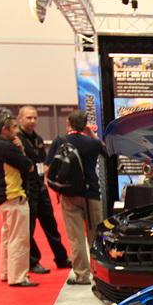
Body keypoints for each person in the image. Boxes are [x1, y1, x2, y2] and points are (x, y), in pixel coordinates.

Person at [45, 109, 106, 285]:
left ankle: (81, 275)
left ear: (68, 123)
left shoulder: (60, 141)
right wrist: (91, 133)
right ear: (85, 124)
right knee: (95, 236)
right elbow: (106, 152)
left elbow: (48, 168)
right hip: (92, 194)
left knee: (76, 237)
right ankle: (99, 275)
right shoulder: (92, 143)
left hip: (69, 194)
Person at [19, 105, 70, 273]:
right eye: (28, 118)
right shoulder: (17, 140)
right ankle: (33, 262)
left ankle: (61, 257)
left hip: (41, 187)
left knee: (51, 224)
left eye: (34, 118)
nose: (32, 121)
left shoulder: (38, 139)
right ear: (20, 119)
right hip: (26, 189)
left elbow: (42, 163)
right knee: (29, 228)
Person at [0, 115, 36, 287]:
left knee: (8, 237)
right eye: (14, 127)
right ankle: (18, 277)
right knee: (18, 238)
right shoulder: (6, 147)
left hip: (2, 195)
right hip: (13, 195)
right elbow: (28, 165)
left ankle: (7, 272)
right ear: (4, 129)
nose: (16, 131)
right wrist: (21, 149)